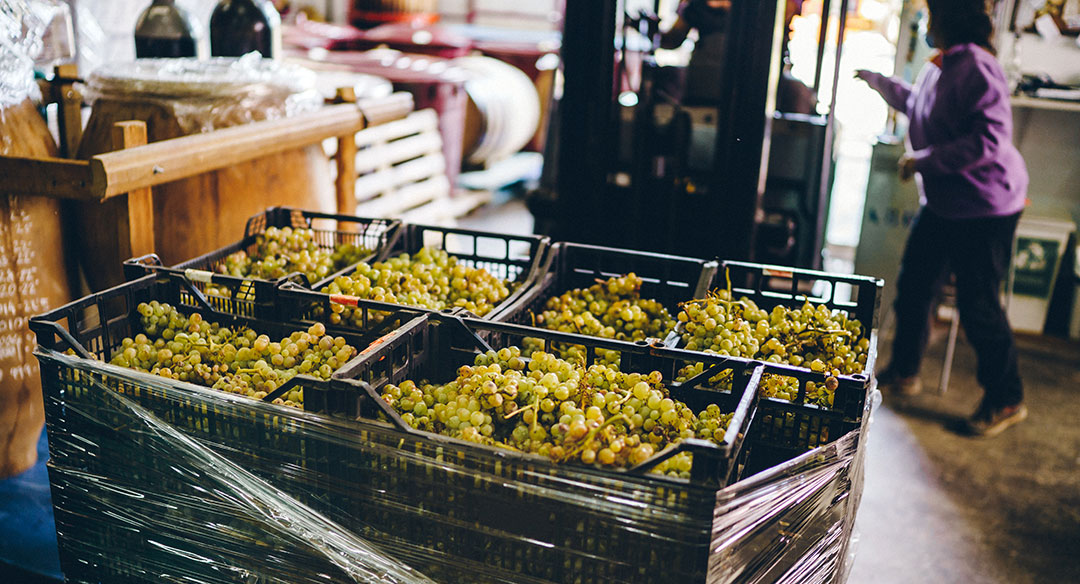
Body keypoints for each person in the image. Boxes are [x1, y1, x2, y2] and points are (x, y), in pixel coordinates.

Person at [855, 0, 1028, 437]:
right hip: (947, 202)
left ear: (948, 20)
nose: (925, 24)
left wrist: (924, 161)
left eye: (930, 16)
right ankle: (905, 372)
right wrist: (879, 83)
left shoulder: (978, 66)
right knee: (915, 285)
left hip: (985, 207)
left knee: (978, 304)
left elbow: (988, 140)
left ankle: (1007, 398)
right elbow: (920, 104)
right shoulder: (942, 64)